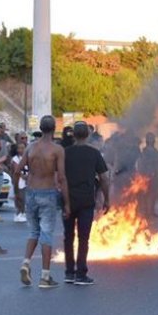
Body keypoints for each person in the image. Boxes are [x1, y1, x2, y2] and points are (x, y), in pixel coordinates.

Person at [16, 116, 70, 289]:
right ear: (54, 129)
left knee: (33, 231)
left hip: (31, 191)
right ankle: (45, 276)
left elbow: (17, 170)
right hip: (47, 192)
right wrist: (67, 202)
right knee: (46, 234)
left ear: (40, 128)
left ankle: (26, 262)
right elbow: (61, 177)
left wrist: (18, 193)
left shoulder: (31, 147)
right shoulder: (57, 150)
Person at [63, 122, 110, 285]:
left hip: (67, 200)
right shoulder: (94, 153)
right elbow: (104, 178)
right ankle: (81, 274)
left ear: (74, 135)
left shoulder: (65, 153)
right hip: (86, 201)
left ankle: (69, 272)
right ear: (88, 135)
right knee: (83, 238)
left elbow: (59, 177)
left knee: (68, 237)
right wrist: (107, 198)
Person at [138, 132, 158, 218]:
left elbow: (157, 162)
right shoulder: (145, 151)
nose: (151, 140)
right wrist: (144, 173)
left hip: (155, 174)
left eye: (152, 138)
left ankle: (152, 210)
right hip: (146, 174)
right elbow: (142, 162)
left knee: (154, 193)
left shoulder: (155, 151)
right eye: (149, 138)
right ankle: (146, 211)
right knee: (146, 193)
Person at [10, 142, 29, 223]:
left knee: (25, 197)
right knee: (19, 196)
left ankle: (23, 212)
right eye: (19, 148)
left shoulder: (29, 157)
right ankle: (19, 212)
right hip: (19, 180)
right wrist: (23, 176)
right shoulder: (15, 159)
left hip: (28, 180)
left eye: (23, 148)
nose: (21, 150)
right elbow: (16, 169)